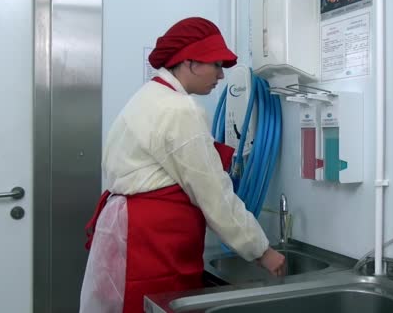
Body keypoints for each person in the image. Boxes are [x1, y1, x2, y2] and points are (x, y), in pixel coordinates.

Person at [79, 17, 286, 313]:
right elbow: (214, 195)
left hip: (130, 229)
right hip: (153, 241)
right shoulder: (180, 110)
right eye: (216, 65)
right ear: (190, 63)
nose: (220, 76)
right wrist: (261, 251)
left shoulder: (150, 96)